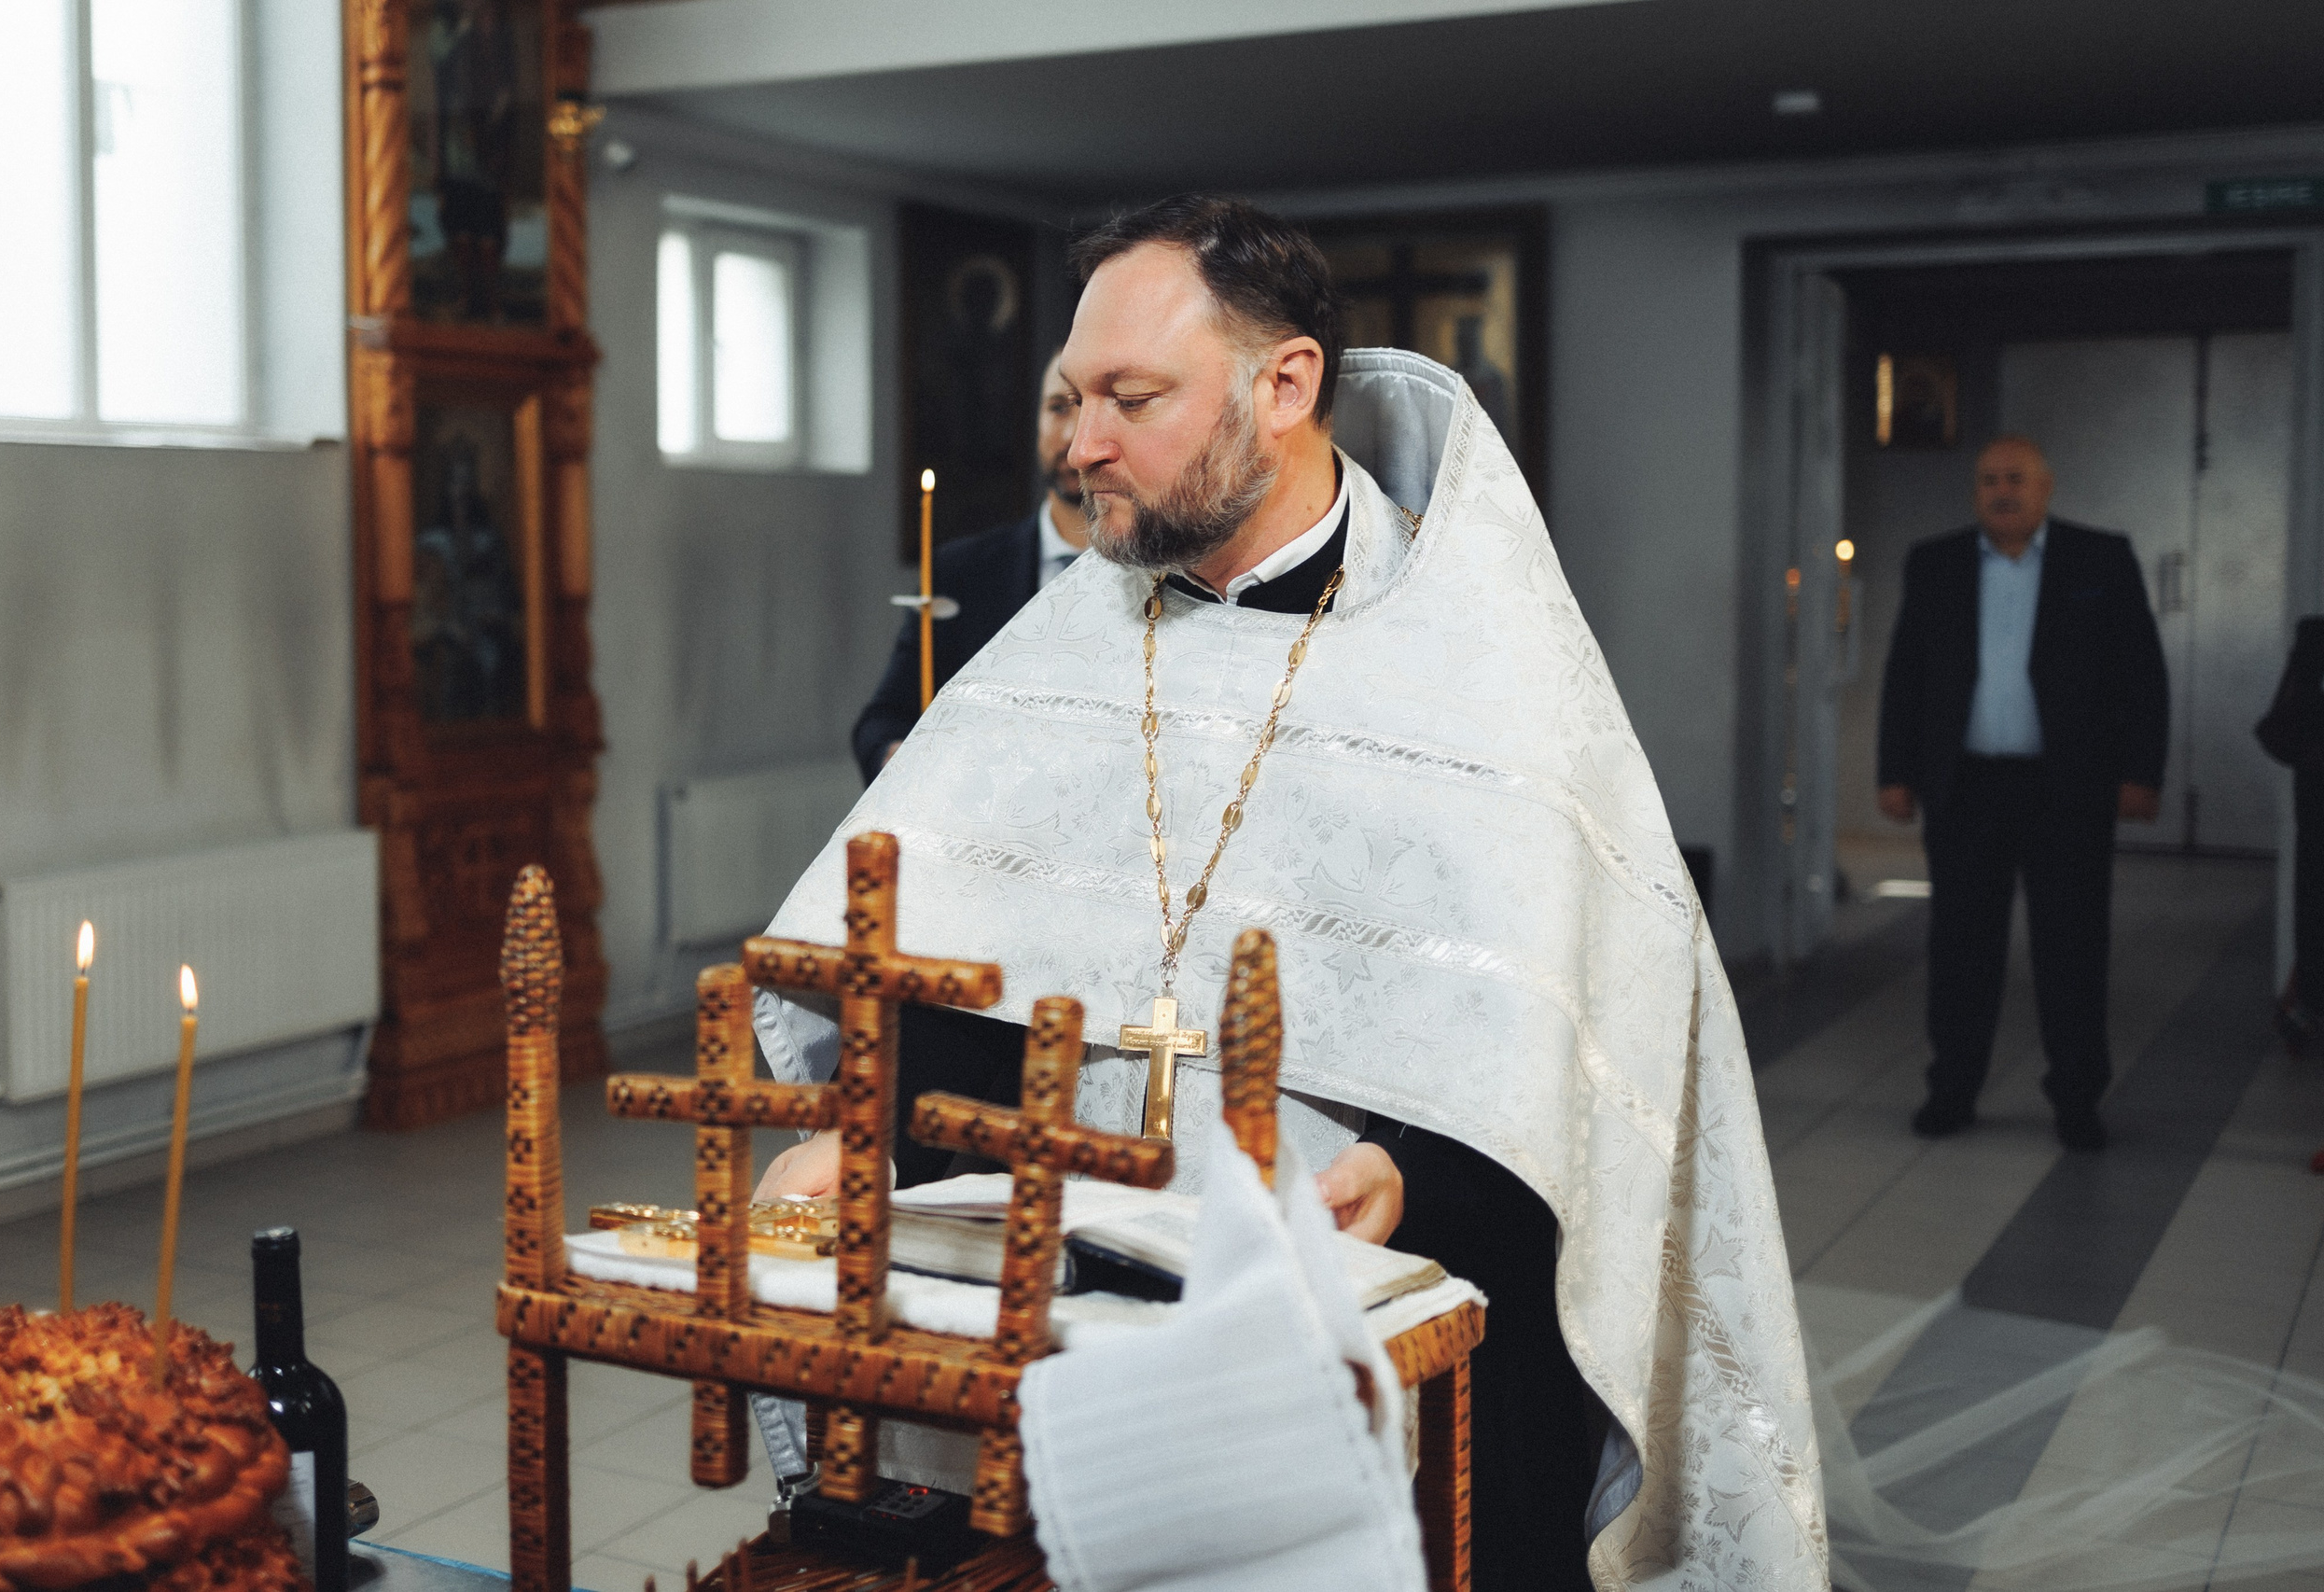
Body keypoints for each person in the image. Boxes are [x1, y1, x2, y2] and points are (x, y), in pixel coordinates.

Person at [750, 196, 1825, 1589]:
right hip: (1074, 1330)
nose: (1082, 447)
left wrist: (1416, 1172)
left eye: (1134, 399)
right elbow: (956, 962)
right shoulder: (1052, 652)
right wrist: (877, 1132)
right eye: (1076, 399)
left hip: (1378, 1327)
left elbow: (1586, 1031)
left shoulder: (1482, 667)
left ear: (1287, 381)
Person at [1876, 435, 2169, 1152]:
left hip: (2065, 786)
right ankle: (1952, 1090)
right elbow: (1907, 672)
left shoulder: (2100, 559)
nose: (2001, 491)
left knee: (2072, 945)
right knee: (1961, 945)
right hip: (1966, 785)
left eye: (2015, 479)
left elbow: (2142, 672)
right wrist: (1895, 770)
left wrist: (2142, 773)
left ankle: (2076, 1098)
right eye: (1987, 480)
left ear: (2045, 488)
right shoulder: (1936, 563)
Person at [850, 349, 1091, 780]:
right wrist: (900, 758)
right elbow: (883, 720)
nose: (1072, 433)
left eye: (1088, 408)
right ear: (1034, 422)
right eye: (1057, 407)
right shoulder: (962, 572)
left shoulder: (1174, 572)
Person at [2256, 617, 2324, 1052]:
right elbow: (2278, 727)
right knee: (2315, 902)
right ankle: (2309, 1002)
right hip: (2318, 802)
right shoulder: (2314, 639)